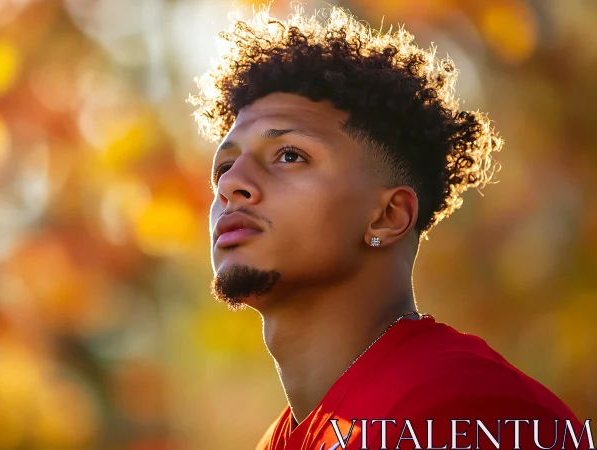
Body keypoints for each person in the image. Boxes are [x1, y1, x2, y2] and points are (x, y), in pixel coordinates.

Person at [189, 5, 589, 450]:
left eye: (290, 156)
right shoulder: (281, 440)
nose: (231, 184)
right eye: (224, 167)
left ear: (389, 216)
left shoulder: (470, 412)